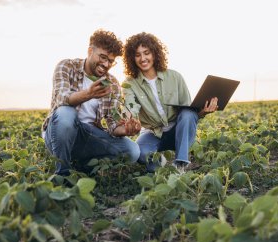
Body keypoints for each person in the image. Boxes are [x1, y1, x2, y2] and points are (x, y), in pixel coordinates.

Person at [42, 29, 141, 176]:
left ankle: (83, 165)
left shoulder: (112, 83)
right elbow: (62, 98)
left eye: (111, 61)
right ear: (90, 51)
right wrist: (88, 94)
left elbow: (112, 123)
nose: (106, 64)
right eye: (102, 57)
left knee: (132, 151)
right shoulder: (66, 66)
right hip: (59, 134)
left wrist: (125, 130)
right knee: (66, 113)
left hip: (88, 135)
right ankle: (62, 174)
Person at [122, 32, 218, 173]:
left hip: (177, 131)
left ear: (154, 53)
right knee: (142, 154)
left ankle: (181, 164)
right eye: (137, 55)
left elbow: (189, 113)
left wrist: (203, 111)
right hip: (152, 133)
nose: (143, 58)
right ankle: (160, 161)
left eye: (146, 53)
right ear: (132, 58)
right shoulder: (130, 83)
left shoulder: (175, 77)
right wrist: (129, 118)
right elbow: (131, 107)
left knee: (187, 113)